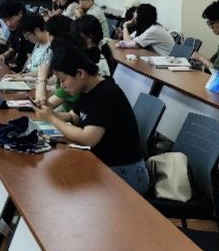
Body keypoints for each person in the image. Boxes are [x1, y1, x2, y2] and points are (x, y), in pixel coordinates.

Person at [36, 47, 149, 194]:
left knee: (65, 187)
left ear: (80, 74)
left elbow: (88, 138)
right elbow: (73, 117)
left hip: (126, 173)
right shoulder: (87, 89)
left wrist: (51, 118)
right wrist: (50, 112)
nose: (62, 85)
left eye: (63, 80)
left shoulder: (106, 94)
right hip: (105, 164)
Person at [0, 0, 30, 71]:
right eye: (5, 21)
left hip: (27, 70)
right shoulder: (15, 28)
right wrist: (4, 55)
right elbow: (13, 48)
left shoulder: (29, 28)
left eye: (11, 19)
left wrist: (20, 75)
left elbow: (31, 58)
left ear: (20, 13)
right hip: (19, 67)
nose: (8, 24)